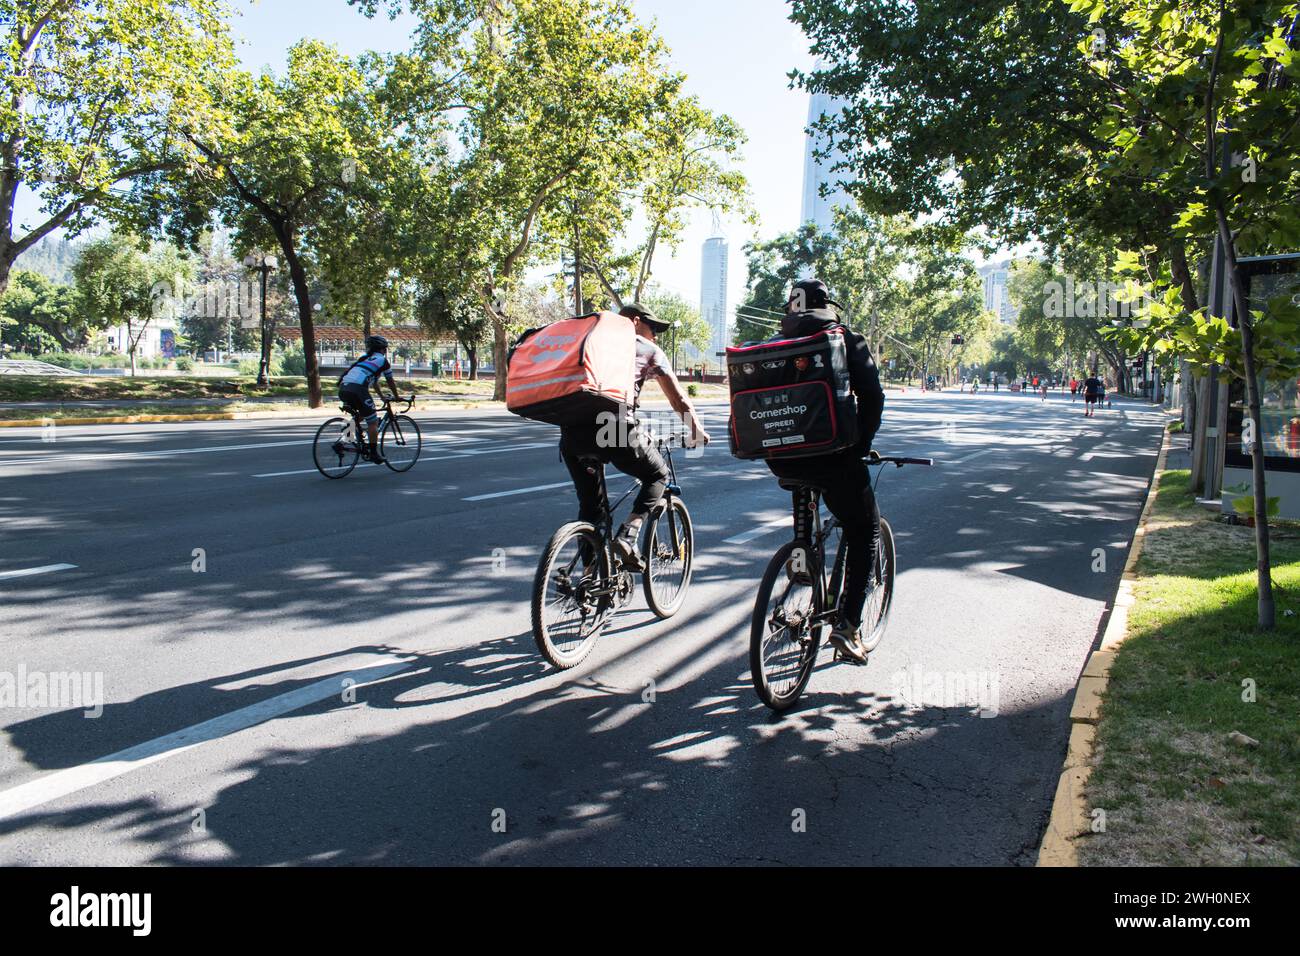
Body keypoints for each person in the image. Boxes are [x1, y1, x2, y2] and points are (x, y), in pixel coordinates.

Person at [764, 279, 886, 665]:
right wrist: (860, 446)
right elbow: (873, 398)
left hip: (781, 458)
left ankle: (802, 555)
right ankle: (848, 626)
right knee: (864, 530)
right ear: (825, 305)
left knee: (805, 485)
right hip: (835, 458)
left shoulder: (775, 344)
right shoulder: (846, 339)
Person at [559, 304, 710, 570]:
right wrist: (696, 431)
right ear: (636, 321)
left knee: (591, 508)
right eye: (654, 329)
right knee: (658, 475)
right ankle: (629, 535)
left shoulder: (588, 340)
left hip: (572, 433)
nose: (656, 336)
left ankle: (591, 577)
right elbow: (679, 400)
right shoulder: (645, 348)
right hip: (614, 429)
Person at [338, 334, 404, 463]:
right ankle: (374, 454)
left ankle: (343, 441)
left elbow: (374, 382)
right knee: (372, 422)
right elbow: (390, 381)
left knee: (360, 415)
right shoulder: (383, 361)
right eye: (385, 349)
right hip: (358, 389)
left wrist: (381, 397)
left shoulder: (364, 358)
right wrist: (396, 397)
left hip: (343, 388)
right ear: (383, 349)